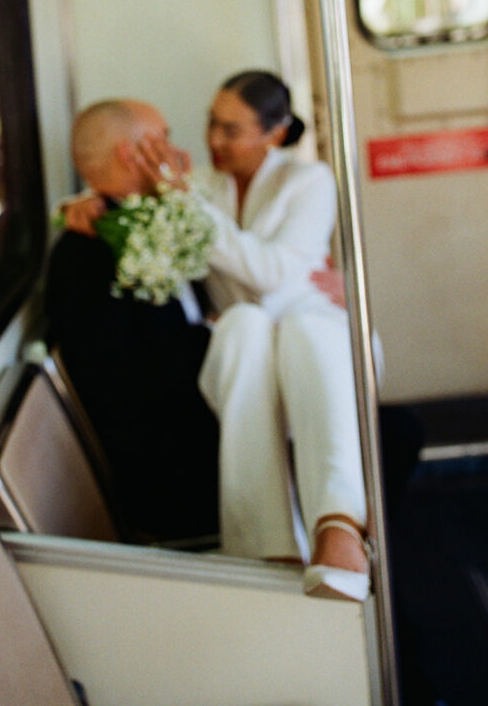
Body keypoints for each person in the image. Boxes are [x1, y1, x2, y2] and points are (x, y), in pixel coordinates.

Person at [132, 70, 381, 601]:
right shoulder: (203, 185)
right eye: (211, 125)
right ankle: (268, 547)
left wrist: (189, 207)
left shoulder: (308, 181)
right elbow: (126, 197)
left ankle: (338, 524)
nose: (215, 141)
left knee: (299, 326)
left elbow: (271, 275)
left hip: (316, 337)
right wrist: (76, 206)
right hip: (246, 349)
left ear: (275, 132)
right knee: (246, 324)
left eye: (232, 129)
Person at [45, 99, 219, 544]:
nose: (176, 150)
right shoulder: (83, 255)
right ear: (132, 153)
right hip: (178, 466)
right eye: (164, 137)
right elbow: (130, 382)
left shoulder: (156, 215)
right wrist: (218, 335)